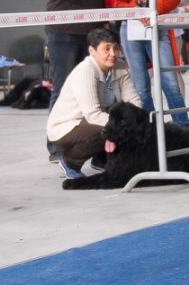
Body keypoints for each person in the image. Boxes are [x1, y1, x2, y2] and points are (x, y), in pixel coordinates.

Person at [113, 0, 189, 128]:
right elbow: (119, 2)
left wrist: (153, 10)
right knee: (141, 86)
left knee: (170, 83)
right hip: (131, 29)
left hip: (158, 25)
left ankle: (183, 127)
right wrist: (139, 13)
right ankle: (150, 130)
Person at [44, 0, 106, 163]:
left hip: (91, 35)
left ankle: (96, 147)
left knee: (95, 90)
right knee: (62, 88)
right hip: (63, 34)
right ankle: (55, 147)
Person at [46, 27, 141, 179]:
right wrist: (125, 125)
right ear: (92, 50)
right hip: (67, 127)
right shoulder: (86, 71)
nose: (113, 54)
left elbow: (133, 99)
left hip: (92, 121)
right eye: (107, 49)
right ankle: (70, 162)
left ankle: (101, 160)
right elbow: (93, 115)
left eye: (116, 48)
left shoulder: (120, 66)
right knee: (108, 131)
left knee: (122, 122)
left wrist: (137, 119)